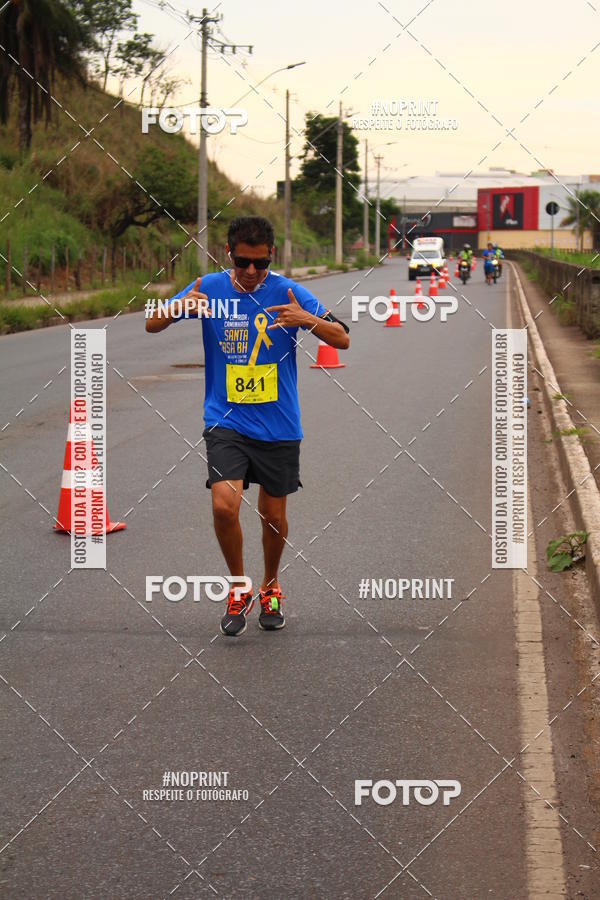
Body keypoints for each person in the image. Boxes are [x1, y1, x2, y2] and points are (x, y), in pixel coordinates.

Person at [145, 216, 350, 637]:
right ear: (229, 255)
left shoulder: (289, 292)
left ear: (271, 256)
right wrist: (176, 309)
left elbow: (342, 337)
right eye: (242, 262)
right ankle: (239, 586)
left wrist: (305, 319)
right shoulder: (210, 287)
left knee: (272, 517)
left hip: (278, 424)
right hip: (226, 420)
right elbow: (151, 322)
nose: (251, 272)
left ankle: (271, 584)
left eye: (259, 263)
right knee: (224, 504)